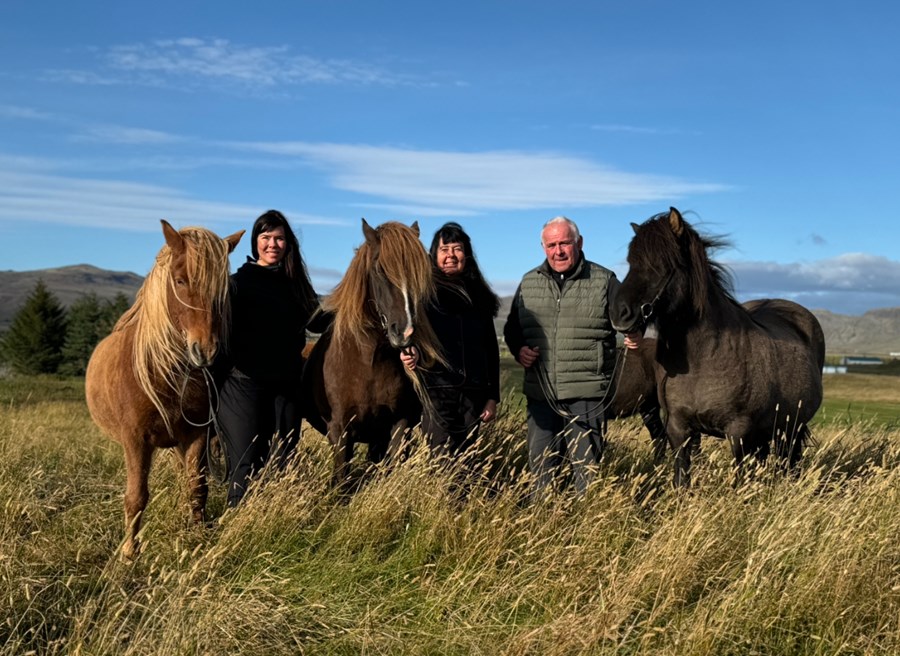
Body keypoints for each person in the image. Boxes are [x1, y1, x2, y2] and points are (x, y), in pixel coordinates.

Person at [503, 215, 628, 495]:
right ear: (543, 247)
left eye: (564, 243)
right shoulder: (528, 282)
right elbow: (513, 328)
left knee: (587, 474)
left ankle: (586, 530)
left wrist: (635, 332)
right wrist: (519, 349)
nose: (558, 251)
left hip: (586, 395)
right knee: (541, 471)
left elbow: (628, 319)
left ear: (579, 243)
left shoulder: (604, 280)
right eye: (551, 245)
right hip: (541, 395)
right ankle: (544, 527)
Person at [216, 209, 327, 507]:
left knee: (283, 458)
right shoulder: (236, 284)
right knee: (247, 459)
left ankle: (273, 522)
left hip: (286, 385)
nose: (272, 244)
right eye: (265, 237)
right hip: (242, 383)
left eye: (279, 238)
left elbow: (318, 322)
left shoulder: (296, 285)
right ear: (255, 243)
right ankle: (237, 526)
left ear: (288, 244)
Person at [400, 222, 500, 459]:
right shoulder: (423, 293)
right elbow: (409, 335)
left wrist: (492, 397)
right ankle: (437, 498)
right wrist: (408, 351)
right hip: (437, 391)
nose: (451, 256)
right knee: (439, 459)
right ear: (434, 255)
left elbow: (490, 349)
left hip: (473, 394)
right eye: (444, 250)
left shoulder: (480, 295)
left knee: (468, 461)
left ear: (466, 254)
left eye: (457, 249)